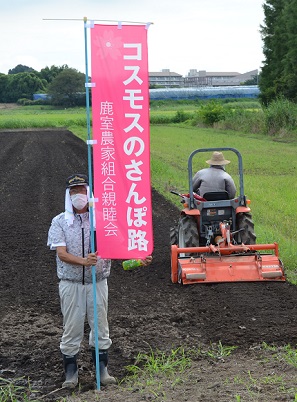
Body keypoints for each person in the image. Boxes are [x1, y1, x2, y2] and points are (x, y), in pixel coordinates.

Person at [47, 173, 152, 389]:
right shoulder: (60, 222)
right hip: (71, 284)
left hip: (98, 283)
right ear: (68, 195)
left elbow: (119, 250)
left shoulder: (104, 220)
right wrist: (84, 262)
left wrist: (138, 260)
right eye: (74, 191)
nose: (78, 195)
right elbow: (62, 254)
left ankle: (102, 371)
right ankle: (71, 374)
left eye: (82, 191)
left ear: (89, 193)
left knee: (100, 327)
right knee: (72, 327)